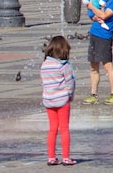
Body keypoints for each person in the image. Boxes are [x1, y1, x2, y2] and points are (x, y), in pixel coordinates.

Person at [41, 35, 76, 166]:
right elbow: (70, 83)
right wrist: (70, 95)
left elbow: (44, 83)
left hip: (49, 100)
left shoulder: (44, 65)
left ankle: (51, 157)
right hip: (62, 100)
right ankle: (66, 157)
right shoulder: (64, 66)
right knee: (64, 129)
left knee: (52, 129)